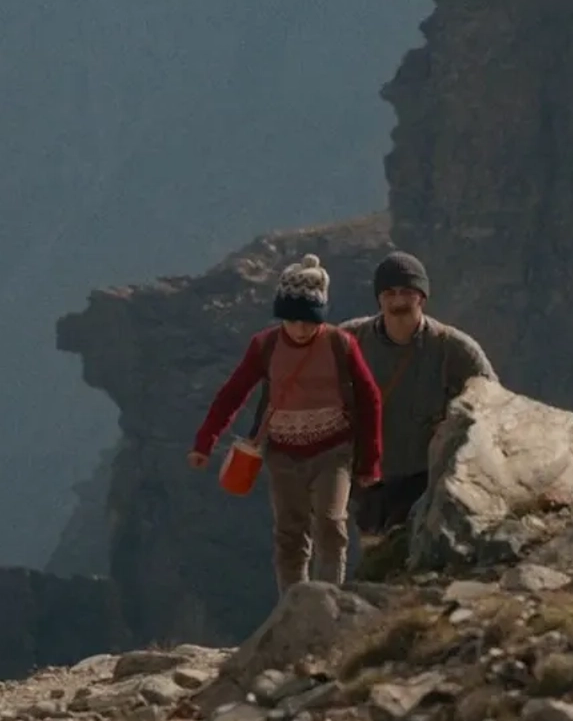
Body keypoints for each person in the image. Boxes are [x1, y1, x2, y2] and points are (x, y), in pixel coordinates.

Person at [189, 254, 382, 591]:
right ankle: (293, 605)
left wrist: (369, 461)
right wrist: (205, 442)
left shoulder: (340, 344)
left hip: (333, 450)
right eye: (293, 320)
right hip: (283, 454)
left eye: (309, 320)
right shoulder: (265, 346)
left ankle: (328, 599)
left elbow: (370, 399)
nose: (301, 328)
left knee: (331, 523)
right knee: (290, 534)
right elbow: (233, 394)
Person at [343, 251, 496, 538]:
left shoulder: (453, 349)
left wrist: (455, 431)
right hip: (368, 481)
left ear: (422, 297)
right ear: (379, 298)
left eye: (406, 292)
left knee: (406, 550)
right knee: (376, 558)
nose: (398, 300)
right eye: (390, 292)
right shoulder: (349, 341)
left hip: (424, 479)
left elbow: (494, 403)